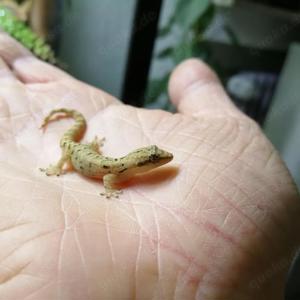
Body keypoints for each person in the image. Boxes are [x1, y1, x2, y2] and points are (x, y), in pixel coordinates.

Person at [0, 32, 299, 300]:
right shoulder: (114, 173)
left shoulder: (121, 168)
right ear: (142, 162)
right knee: (70, 157)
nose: (161, 160)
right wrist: (63, 165)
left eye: (156, 157)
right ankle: (63, 131)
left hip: (87, 152)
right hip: (75, 153)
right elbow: (106, 181)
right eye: (155, 158)